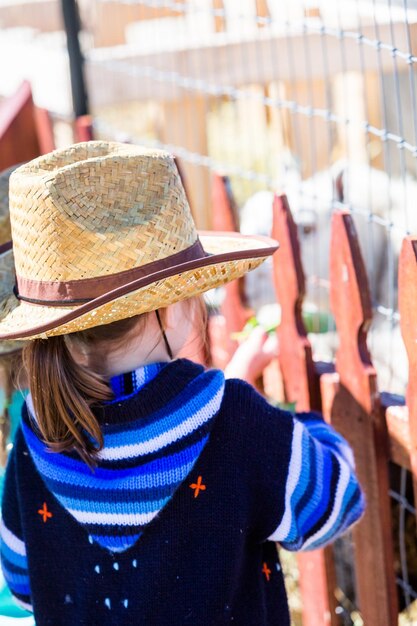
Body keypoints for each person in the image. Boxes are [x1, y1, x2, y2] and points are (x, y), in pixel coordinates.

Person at [0, 142, 364, 626]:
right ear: (170, 308)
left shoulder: (31, 440)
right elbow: (335, 500)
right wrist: (312, 430)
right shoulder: (236, 421)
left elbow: (24, 584)